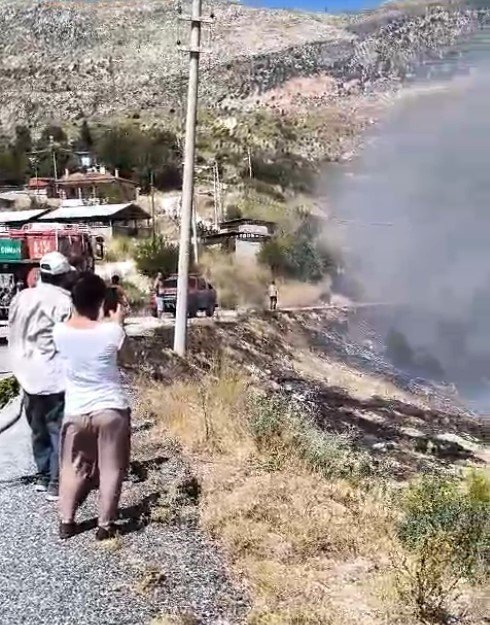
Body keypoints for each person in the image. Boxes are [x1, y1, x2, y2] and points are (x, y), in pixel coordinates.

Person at [54, 273, 130, 541]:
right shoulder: (112, 331)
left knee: (72, 466)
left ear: (72, 301)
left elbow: (72, 324)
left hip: (76, 410)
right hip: (110, 408)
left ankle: (66, 521)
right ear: (101, 301)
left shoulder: (59, 332)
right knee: (111, 467)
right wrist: (118, 322)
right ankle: (105, 525)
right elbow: (125, 359)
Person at [8, 252, 73, 500]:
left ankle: (43, 476)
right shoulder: (65, 302)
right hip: (54, 374)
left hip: (27, 374)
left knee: (37, 429)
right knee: (57, 429)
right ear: (63, 275)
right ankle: (56, 484)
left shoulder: (21, 297)